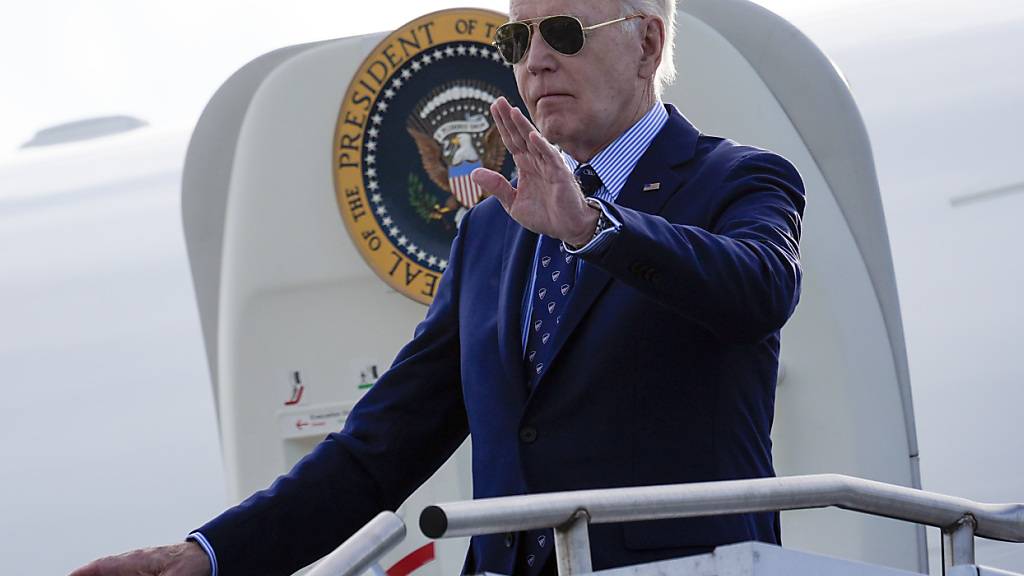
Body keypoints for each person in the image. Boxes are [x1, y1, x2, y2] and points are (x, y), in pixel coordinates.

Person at [72, 0, 805, 574]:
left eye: (562, 31)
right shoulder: (493, 231)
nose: (538, 59)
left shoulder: (737, 180)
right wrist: (210, 554)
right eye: (518, 41)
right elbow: (378, 450)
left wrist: (594, 229)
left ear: (647, 43)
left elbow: (760, 289)